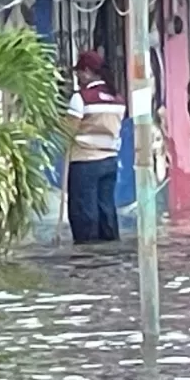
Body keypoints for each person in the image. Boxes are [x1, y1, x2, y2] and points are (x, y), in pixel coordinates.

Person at [65, 50, 126, 244]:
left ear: (88, 71)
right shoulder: (118, 99)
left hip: (84, 162)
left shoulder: (81, 98)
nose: (78, 77)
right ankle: (109, 254)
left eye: (79, 72)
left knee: (85, 213)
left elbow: (68, 130)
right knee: (106, 209)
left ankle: (88, 257)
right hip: (109, 161)